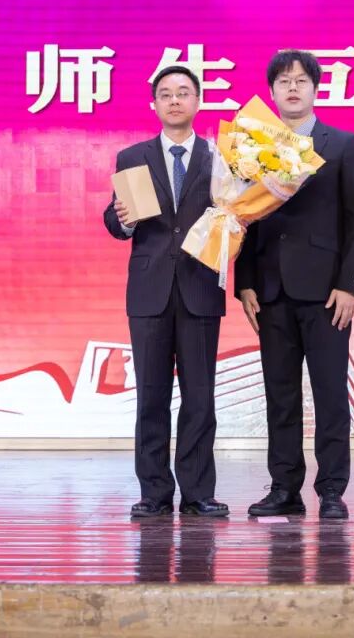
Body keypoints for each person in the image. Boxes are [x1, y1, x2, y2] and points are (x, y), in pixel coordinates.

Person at [234, 50, 354, 520]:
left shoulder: (343, 145)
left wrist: (351, 286)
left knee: (330, 394)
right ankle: (284, 488)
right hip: (271, 291)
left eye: (300, 81)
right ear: (271, 92)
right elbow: (244, 217)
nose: (292, 88)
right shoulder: (251, 148)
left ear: (315, 89)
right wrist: (246, 283)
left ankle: (332, 490)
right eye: (283, 81)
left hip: (327, 294)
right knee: (280, 395)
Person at [103, 66, 228, 518]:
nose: (175, 100)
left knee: (200, 396)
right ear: (154, 104)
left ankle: (198, 492)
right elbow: (114, 220)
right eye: (166, 94)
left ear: (198, 102)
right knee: (151, 396)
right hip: (149, 290)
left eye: (183, 93)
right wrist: (123, 220)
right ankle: (154, 492)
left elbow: (234, 215)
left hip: (200, 286)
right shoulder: (132, 157)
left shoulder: (221, 159)